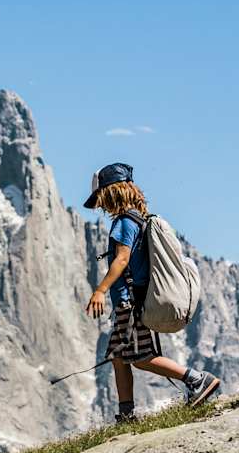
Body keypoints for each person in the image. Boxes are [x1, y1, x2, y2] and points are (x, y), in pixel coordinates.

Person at [82, 162, 221, 420]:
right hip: (134, 301)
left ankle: (196, 379)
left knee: (140, 358)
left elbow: (121, 259)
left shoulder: (124, 222)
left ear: (112, 193)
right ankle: (126, 415)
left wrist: (100, 290)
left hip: (128, 303)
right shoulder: (138, 218)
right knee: (118, 357)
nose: (100, 206)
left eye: (101, 199)